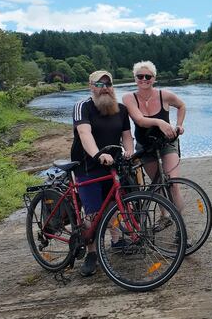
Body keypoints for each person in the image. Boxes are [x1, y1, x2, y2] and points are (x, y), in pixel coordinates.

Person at [71, 70, 134, 277]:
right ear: (91, 86)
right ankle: (92, 252)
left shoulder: (121, 110)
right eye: (99, 84)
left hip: (112, 164)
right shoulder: (83, 107)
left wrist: (129, 152)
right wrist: (98, 154)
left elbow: (127, 136)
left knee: (113, 206)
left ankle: (116, 241)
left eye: (108, 84)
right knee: (93, 212)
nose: (104, 87)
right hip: (88, 166)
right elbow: (84, 133)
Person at [122, 61, 186, 222]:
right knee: (156, 185)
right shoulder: (128, 98)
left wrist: (179, 125)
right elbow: (139, 120)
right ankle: (164, 216)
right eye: (140, 76)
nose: (144, 79)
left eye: (148, 76)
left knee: (172, 183)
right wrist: (160, 122)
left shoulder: (164, 95)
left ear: (154, 78)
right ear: (135, 78)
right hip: (145, 146)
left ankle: (180, 223)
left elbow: (182, 106)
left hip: (167, 142)